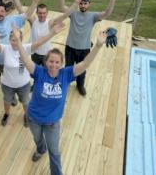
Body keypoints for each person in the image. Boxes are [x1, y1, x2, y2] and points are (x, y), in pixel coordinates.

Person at [13, 27, 108, 175]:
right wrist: (18, 41)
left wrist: (98, 46)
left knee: (55, 151)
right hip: (33, 118)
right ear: (46, 62)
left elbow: (85, 64)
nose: (54, 65)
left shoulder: (67, 74)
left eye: (57, 62)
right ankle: (40, 150)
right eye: (51, 61)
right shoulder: (38, 72)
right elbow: (25, 59)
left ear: (61, 64)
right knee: (37, 139)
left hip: (52, 123)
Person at [0, 20, 64, 127]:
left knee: (25, 102)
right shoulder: (5, 49)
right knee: (7, 101)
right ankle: (7, 114)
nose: (15, 42)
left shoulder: (26, 48)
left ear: (21, 40)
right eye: (13, 40)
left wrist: (52, 32)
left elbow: (40, 42)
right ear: (9, 40)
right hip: (7, 85)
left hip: (24, 85)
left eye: (17, 40)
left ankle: (26, 115)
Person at [0, 0, 45, 106]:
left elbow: (27, 14)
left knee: (12, 79)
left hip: (9, 59)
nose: (0, 14)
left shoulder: (12, 20)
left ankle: (12, 95)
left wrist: (35, 1)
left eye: (2, 11)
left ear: (6, 12)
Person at [59, 0, 119, 96]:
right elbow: (62, 7)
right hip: (70, 47)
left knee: (82, 69)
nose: (82, 5)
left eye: (85, 3)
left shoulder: (93, 16)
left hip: (84, 48)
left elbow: (107, 13)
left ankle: (80, 85)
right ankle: (65, 83)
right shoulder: (73, 13)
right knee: (68, 68)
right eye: (81, 3)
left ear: (89, 4)